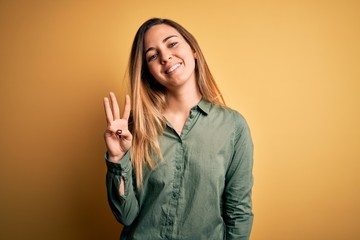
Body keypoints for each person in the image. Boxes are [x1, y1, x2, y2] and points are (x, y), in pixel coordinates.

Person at [103, 18, 254, 240]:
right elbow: (126, 216)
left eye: (171, 44)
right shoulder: (133, 128)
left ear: (193, 50)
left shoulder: (233, 127)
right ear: (148, 72)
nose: (165, 57)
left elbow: (238, 213)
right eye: (153, 56)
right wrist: (117, 158)